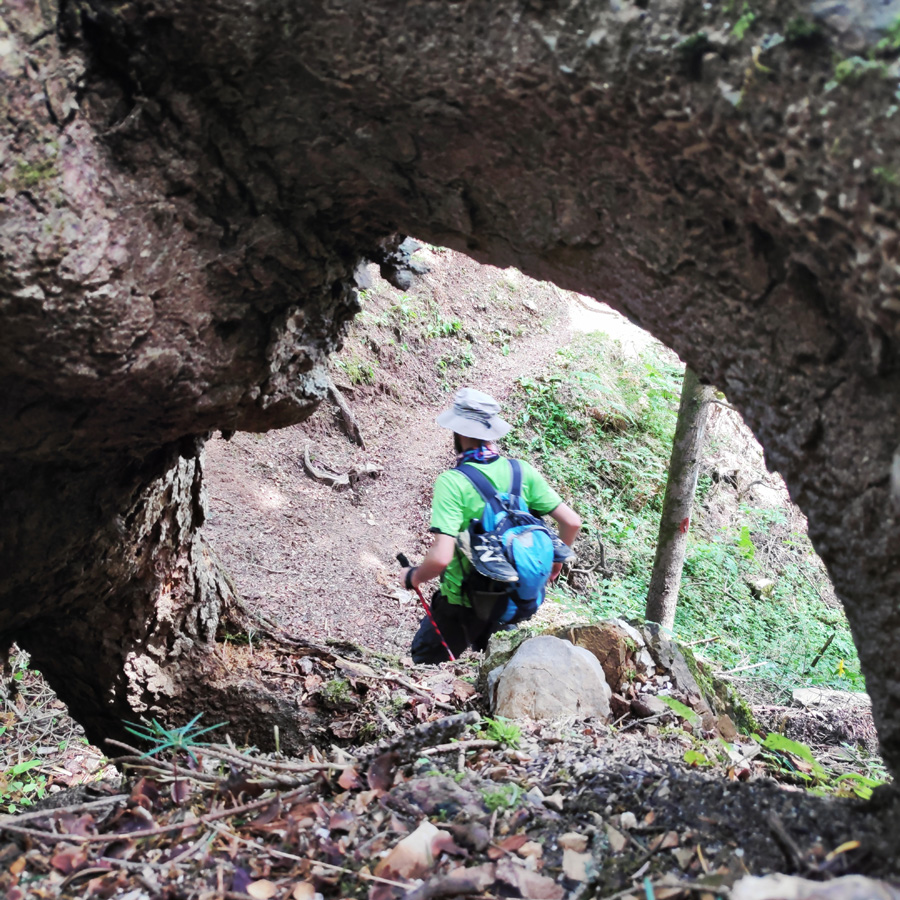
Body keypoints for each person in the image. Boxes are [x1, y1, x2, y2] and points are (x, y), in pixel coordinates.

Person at [399, 387, 582, 663]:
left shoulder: (453, 483)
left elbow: (441, 558)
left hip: (460, 604)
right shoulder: (521, 472)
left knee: (424, 662)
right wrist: (555, 563)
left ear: (459, 432)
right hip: (509, 600)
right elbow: (572, 522)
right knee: (496, 666)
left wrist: (413, 576)